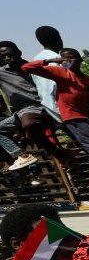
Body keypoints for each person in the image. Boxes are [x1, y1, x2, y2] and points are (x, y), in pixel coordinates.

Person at [21, 49, 89, 195]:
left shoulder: (86, 79)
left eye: (71, 58)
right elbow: (27, 67)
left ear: (79, 60)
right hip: (73, 119)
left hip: (88, 120)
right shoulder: (60, 73)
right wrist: (51, 61)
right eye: (64, 59)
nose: (67, 61)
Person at [0, 41, 67, 169]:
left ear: (18, 53)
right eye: (3, 56)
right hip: (24, 111)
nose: (7, 58)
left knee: (34, 126)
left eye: (10, 54)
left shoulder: (31, 66)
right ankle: (21, 155)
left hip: (47, 105)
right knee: (31, 130)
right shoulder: (2, 73)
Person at [31, 26, 63, 120]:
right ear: (58, 39)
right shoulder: (56, 59)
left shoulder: (35, 60)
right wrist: (61, 118)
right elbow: (48, 93)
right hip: (60, 114)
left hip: (52, 112)